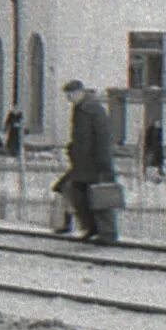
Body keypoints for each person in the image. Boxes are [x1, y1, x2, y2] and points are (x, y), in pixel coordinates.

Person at [58, 80, 117, 241]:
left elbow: (103, 138)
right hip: (81, 163)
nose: (68, 98)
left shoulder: (94, 110)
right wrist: (72, 150)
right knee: (79, 195)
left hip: (95, 163)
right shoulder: (79, 109)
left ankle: (107, 232)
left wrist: (103, 163)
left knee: (100, 197)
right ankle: (91, 228)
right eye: (67, 95)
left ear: (80, 92)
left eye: (70, 94)